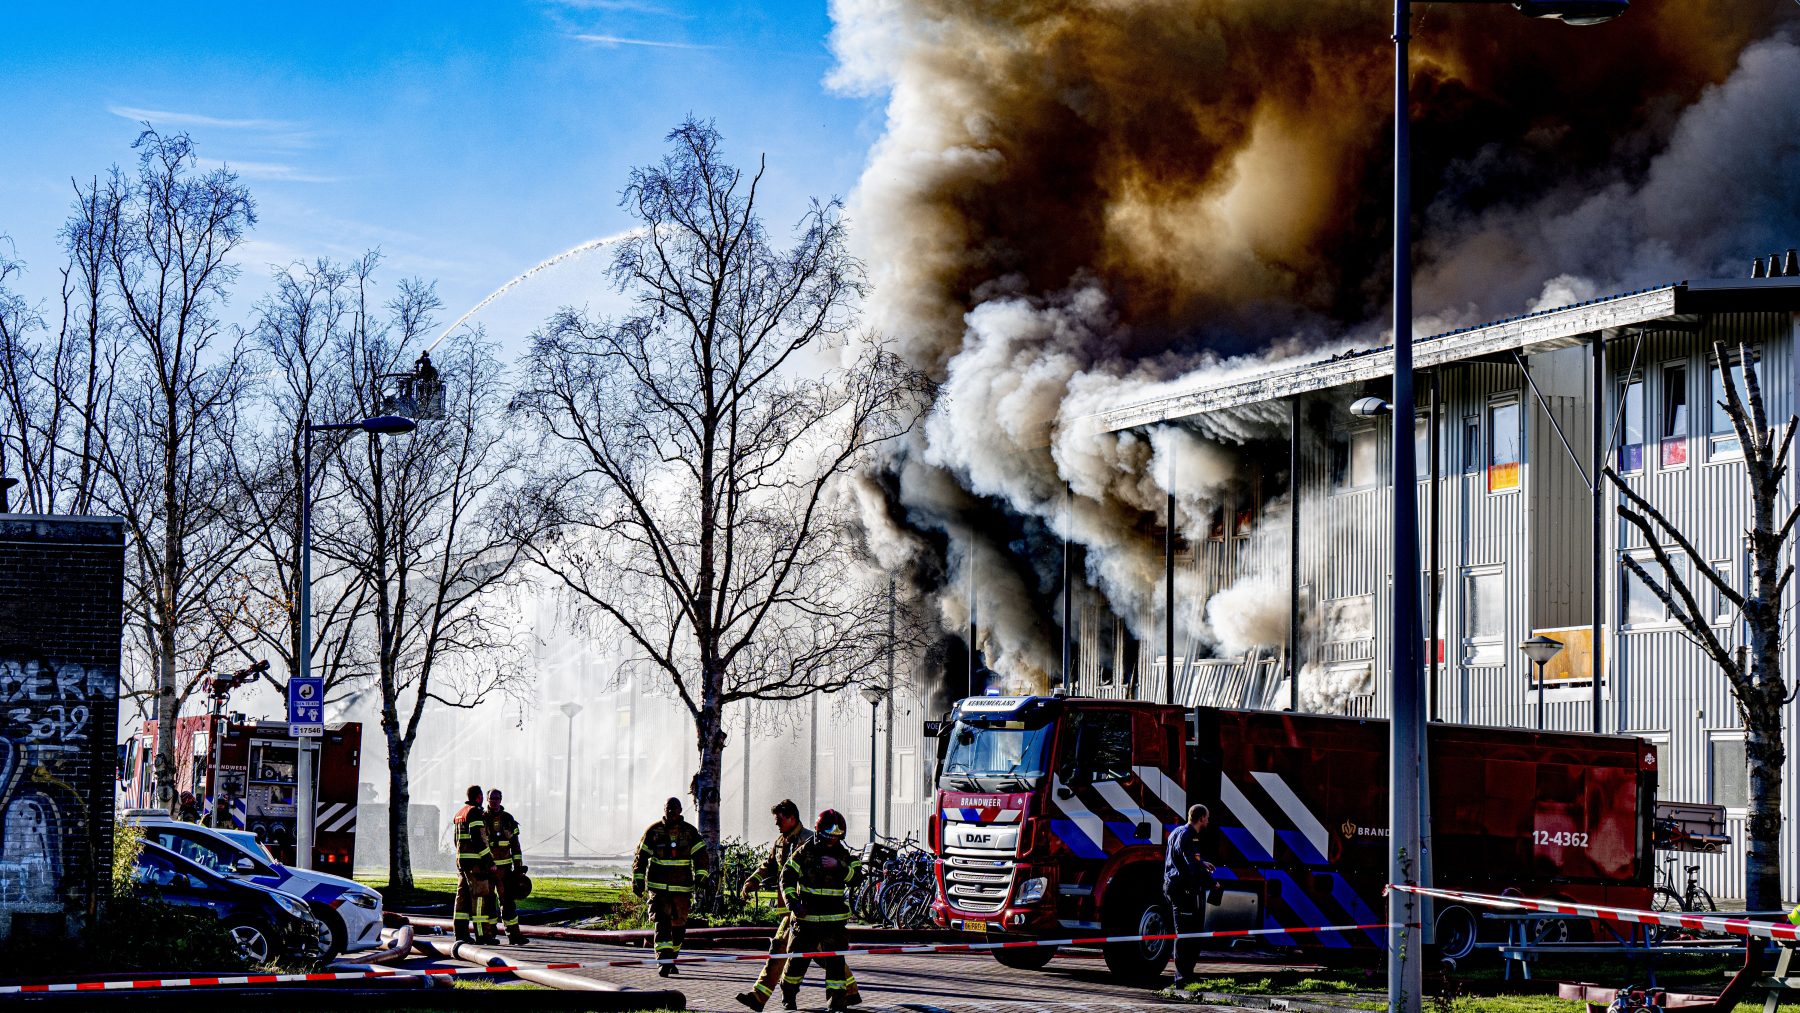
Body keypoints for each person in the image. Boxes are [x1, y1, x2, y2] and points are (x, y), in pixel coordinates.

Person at [779, 809, 862, 1012]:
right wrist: (793, 903)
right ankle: (788, 995)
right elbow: (787, 877)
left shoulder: (843, 855)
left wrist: (839, 867)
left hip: (833, 923)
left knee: (835, 964)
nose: (833, 840)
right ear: (820, 832)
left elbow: (857, 878)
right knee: (797, 962)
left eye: (837, 836)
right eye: (830, 836)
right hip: (806, 920)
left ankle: (836, 1003)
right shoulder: (804, 853)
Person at [736, 799, 813, 1011]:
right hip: (790, 910)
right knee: (781, 948)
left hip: (807, 910)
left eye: (779, 820)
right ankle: (759, 997)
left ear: (792, 818)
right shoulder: (780, 842)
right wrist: (753, 880)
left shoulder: (810, 841)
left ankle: (849, 993)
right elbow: (769, 865)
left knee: (824, 955)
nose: (776, 824)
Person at [634, 796, 710, 976]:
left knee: (678, 926)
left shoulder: (690, 832)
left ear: (681, 810)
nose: (671, 812)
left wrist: (701, 876)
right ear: (664, 810)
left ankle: (672, 957)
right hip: (658, 889)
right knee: (662, 923)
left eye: (675, 809)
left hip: (682, 889)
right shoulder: (654, 831)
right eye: (668, 808)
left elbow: (701, 856)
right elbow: (641, 857)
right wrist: (638, 880)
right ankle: (663, 961)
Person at [1163, 803, 1216, 989]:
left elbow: (1182, 859)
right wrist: (1212, 883)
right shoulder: (1190, 837)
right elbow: (1190, 867)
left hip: (1174, 887)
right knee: (1186, 934)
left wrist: (1203, 864)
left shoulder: (1177, 832)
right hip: (1183, 890)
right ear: (1201, 818)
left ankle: (1185, 975)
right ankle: (1182, 978)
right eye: (1207, 817)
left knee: (1187, 932)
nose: (1208, 820)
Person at [452, 784, 496, 943]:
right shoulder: (475, 812)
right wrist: (489, 861)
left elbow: (456, 840)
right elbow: (477, 839)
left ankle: (461, 934)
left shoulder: (459, 814)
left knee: (462, 897)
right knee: (479, 896)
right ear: (478, 797)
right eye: (482, 796)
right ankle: (482, 935)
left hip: (461, 861)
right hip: (475, 863)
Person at [486, 788, 528, 945]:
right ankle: (489, 936)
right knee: (489, 902)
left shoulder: (508, 819)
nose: (494, 801)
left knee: (508, 903)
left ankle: (514, 936)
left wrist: (518, 870)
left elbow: (516, 847)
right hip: (489, 871)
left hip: (505, 871)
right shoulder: (482, 818)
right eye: (492, 798)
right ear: (487, 800)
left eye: (497, 798)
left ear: (501, 799)